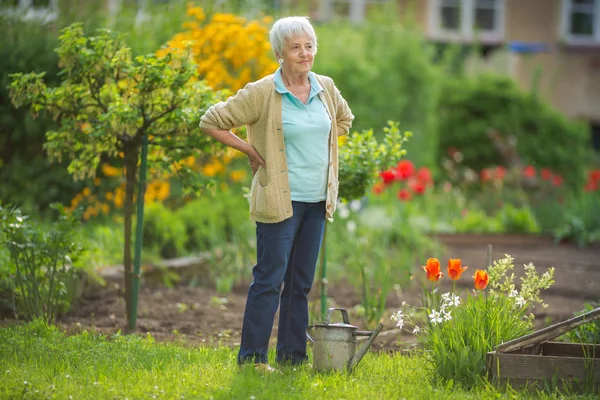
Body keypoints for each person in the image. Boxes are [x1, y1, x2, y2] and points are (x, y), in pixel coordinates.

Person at [199, 16, 354, 367]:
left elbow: (343, 121)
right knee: (269, 280)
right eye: (295, 47)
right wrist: (251, 150)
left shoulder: (325, 87)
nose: (304, 53)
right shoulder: (263, 92)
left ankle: (291, 358)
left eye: (309, 46)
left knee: (299, 284)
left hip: (316, 201)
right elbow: (211, 120)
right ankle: (252, 358)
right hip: (278, 200)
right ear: (280, 53)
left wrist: (320, 144)